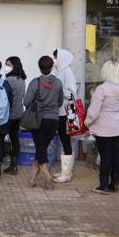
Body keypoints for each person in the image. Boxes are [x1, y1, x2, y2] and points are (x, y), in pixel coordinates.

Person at [86, 61, 119, 194]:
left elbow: (94, 111)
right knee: (115, 155)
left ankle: (103, 185)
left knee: (105, 156)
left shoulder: (102, 89)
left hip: (104, 128)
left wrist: (87, 122)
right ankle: (114, 183)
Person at [23, 56, 63, 190]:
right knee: (41, 150)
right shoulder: (58, 83)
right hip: (53, 121)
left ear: (39, 67)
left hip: (38, 121)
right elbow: (60, 102)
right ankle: (32, 179)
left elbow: (26, 101)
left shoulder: (35, 83)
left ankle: (47, 175)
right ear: (51, 67)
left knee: (40, 150)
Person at [52, 48, 77, 183]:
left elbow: (72, 94)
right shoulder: (59, 72)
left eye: (56, 57)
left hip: (65, 112)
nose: (55, 60)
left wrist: (59, 90)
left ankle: (66, 173)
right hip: (59, 111)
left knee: (65, 140)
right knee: (63, 140)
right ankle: (64, 170)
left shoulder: (67, 72)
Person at [2, 56, 26, 175]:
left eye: (9, 65)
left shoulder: (8, 81)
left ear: (14, 66)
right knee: (14, 138)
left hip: (8, 114)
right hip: (18, 113)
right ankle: (14, 165)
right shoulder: (22, 79)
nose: (6, 67)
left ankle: (1, 159)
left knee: (0, 138)